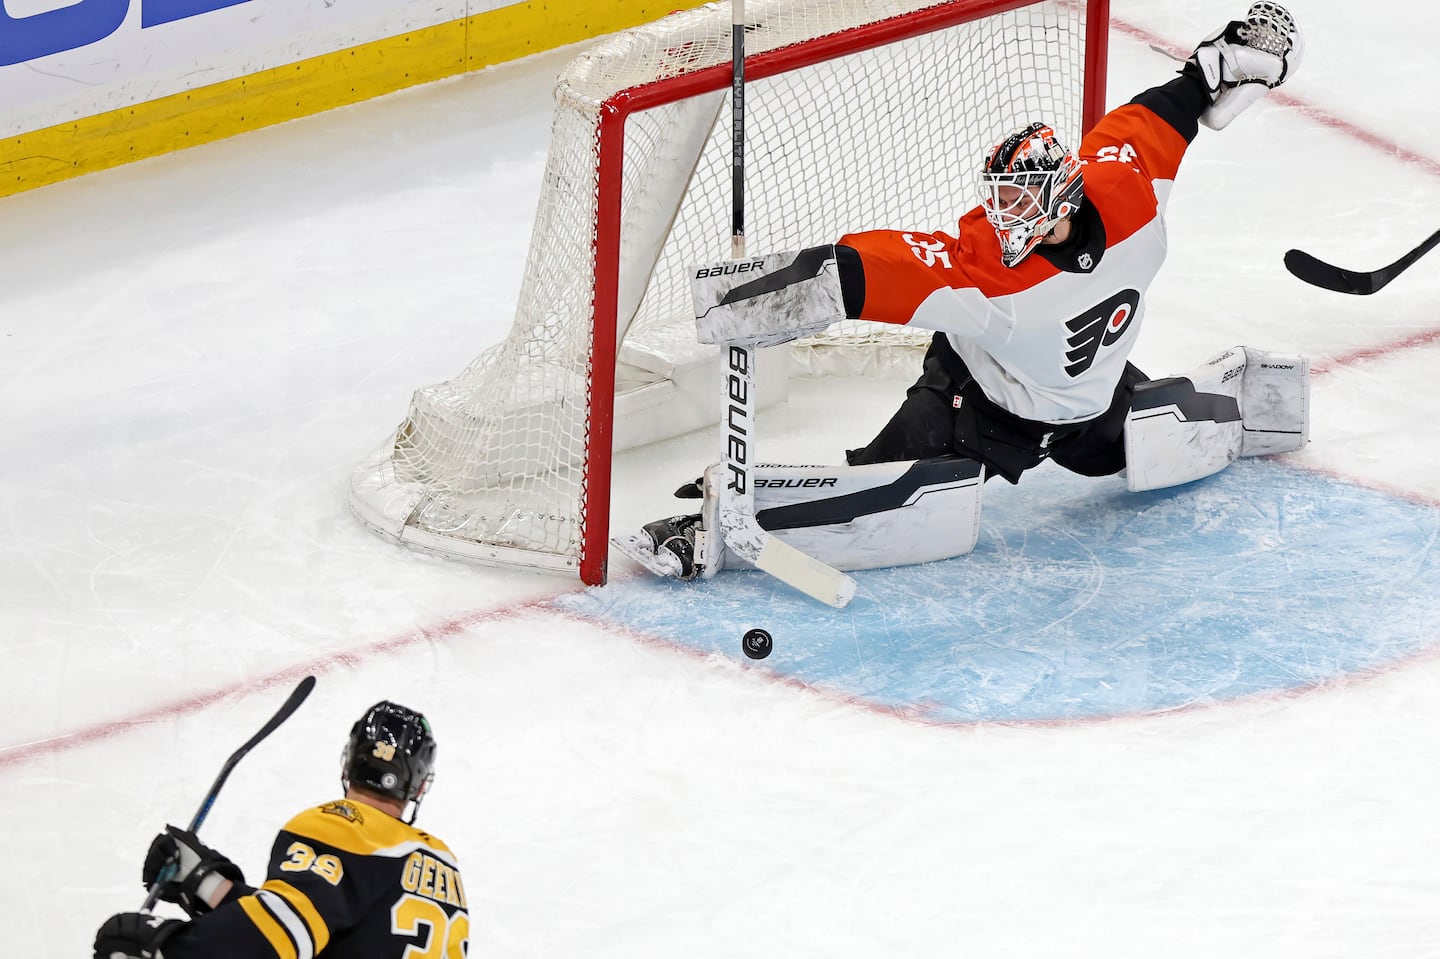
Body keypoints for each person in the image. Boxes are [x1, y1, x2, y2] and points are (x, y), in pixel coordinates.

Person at [623, 2, 1310, 582]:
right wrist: (762, 294)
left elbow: (1170, 115)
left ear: (1063, 197)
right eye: (1000, 197)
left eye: (1020, 200)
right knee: (874, 488)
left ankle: (1224, 409)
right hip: (976, 410)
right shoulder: (993, 264)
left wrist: (1213, 72)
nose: (1003, 215)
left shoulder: (1122, 194)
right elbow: (870, 268)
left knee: (1128, 450)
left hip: (1092, 406)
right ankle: (702, 530)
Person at [94, 701, 467, 959]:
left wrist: (167, 947)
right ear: (417, 785)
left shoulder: (340, 825)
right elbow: (324, 928)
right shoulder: (442, 864)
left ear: (350, 761)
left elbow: (280, 938)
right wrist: (204, 883)